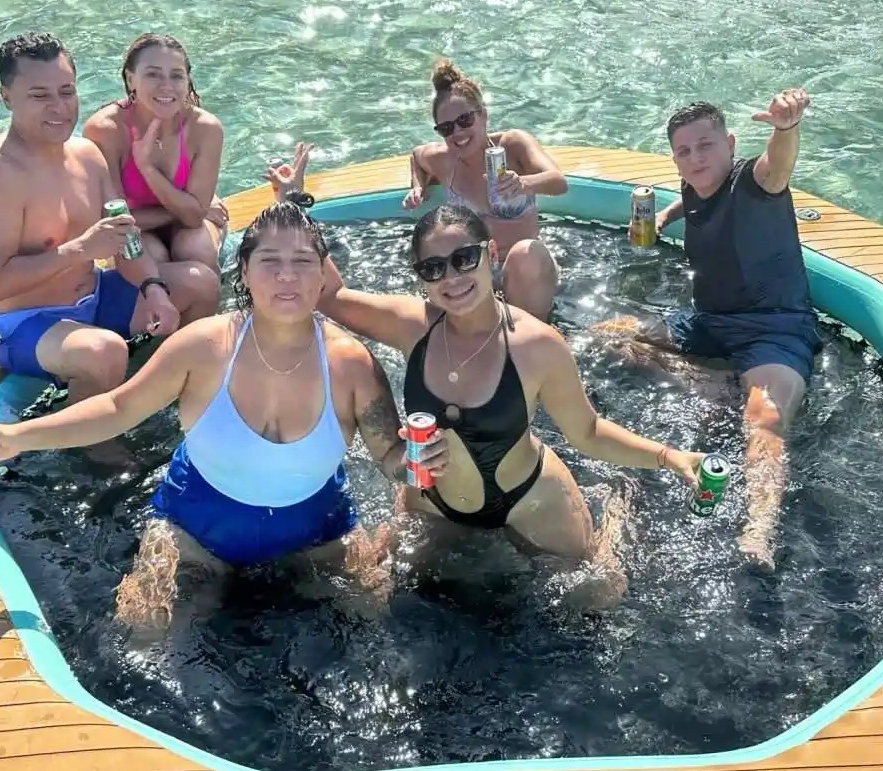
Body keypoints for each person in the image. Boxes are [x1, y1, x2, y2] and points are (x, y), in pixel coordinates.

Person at [0, 201, 449, 631]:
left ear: (323, 276)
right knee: (144, 631)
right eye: (270, 262)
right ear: (244, 270)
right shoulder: (204, 348)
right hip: (194, 528)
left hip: (318, 529)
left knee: (377, 620)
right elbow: (117, 408)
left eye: (303, 263)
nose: (287, 276)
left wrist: (418, 459)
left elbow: (389, 455)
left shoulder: (351, 365)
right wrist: (19, 436)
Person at [271, 148, 706, 610]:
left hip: (529, 501)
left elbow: (588, 431)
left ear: (490, 253)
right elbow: (331, 295)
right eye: (433, 268)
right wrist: (293, 206)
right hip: (432, 499)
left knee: (597, 602)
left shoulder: (536, 345)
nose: (451, 277)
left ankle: (618, 513)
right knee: (370, 598)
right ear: (421, 278)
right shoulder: (413, 326)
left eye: (464, 258)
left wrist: (668, 457)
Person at [605, 89, 819, 569]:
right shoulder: (694, 184)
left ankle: (758, 529)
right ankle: (714, 383)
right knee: (612, 335)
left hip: (775, 329)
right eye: (684, 151)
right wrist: (663, 214)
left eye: (706, 146)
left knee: (764, 420)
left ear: (731, 144)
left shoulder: (751, 181)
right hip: (708, 321)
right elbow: (694, 199)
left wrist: (786, 129)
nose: (695, 158)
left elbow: (776, 168)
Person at [0, 32, 221, 403]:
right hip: (23, 323)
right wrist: (80, 249)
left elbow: (125, 240)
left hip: (93, 298)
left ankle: (178, 394)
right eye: (39, 95)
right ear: (6, 97)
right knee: (104, 352)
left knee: (200, 283)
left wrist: (153, 289)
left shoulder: (86, 156)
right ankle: (92, 450)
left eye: (66, 91)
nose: (59, 107)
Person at [400, 58, 566, 323]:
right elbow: (416, 156)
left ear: (483, 114)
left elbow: (559, 182)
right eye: (446, 128)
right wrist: (418, 186)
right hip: (476, 272)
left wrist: (524, 183)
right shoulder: (444, 160)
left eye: (465, 120)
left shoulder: (513, 145)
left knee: (526, 254)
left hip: (526, 273)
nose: (458, 133)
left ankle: (537, 338)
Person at [82, 33, 228, 280]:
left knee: (194, 249)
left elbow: (193, 219)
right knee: (152, 256)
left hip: (187, 226)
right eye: (153, 74)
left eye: (176, 75)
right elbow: (115, 221)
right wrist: (189, 208)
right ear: (130, 79)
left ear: (187, 80)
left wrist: (147, 168)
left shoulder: (205, 127)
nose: (166, 86)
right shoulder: (106, 130)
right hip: (137, 230)